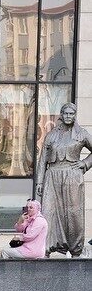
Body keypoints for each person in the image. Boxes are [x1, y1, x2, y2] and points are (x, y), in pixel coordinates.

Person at [35, 102, 90, 257]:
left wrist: (85, 163)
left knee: (73, 214)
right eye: (65, 113)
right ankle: (46, 248)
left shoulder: (82, 134)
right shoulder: (51, 135)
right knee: (48, 211)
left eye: (71, 113)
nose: (68, 116)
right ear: (61, 114)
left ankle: (76, 250)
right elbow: (42, 160)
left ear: (75, 115)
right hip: (52, 175)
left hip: (73, 175)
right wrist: (40, 182)